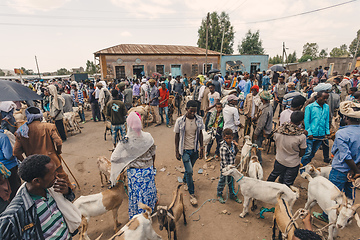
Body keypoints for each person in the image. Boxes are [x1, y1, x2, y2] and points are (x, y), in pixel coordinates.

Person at [0, 154, 79, 239]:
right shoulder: (14, 214)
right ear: (37, 181)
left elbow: (69, 200)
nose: (57, 175)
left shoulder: (51, 187)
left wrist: (67, 191)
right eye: (53, 173)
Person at [314, 101, 360, 223]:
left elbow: (345, 155)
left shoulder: (342, 133)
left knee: (332, 194)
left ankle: (326, 215)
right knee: (350, 193)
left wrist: (355, 170)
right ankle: (348, 215)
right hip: (354, 171)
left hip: (340, 169)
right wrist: (356, 171)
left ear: (346, 118)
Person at [110, 112, 157, 219]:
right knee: (148, 191)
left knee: (137, 195)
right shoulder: (148, 137)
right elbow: (153, 153)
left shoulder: (125, 141)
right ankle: (149, 210)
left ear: (128, 125)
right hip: (148, 170)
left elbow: (114, 158)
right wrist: (152, 166)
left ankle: (139, 216)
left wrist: (127, 158)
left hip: (134, 174)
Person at [13, 107, 72, 189]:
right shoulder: (48, 126)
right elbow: (58, 142)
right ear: (40, 115)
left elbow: (16, 152)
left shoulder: (21, 131)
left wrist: (26, 161)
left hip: (34, 165)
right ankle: (69, 189)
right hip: (51, 160)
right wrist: (58, 152)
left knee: (40, 182)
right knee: (61, 176)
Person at [174, 100, 204, 206]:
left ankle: (185, 181)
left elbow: (200, 134)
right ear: (186, 109)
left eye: (195, 111)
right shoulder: (180, 121)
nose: (193, 113)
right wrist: (177, 151)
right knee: (190, 171)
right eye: (191, 111)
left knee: (188, 170)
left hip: (194, 150)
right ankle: (192, 194)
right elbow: (177, 136)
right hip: (185, 150)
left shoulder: (199, 120)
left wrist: (202, 148)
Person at [267, 111, 307, 186]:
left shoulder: (278, 131)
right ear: (300, 122)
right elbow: (302, 153)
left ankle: (266, 189)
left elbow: (275, 140)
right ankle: (283, 196)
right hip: (293, 163)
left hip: (279, 159)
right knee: (287, 183)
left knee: (273, 175)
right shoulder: (301, 136)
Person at [301, 91, 330, 167]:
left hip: (321, 134)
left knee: (313, 152)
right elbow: (306, 121)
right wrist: (309, 132)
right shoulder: (310, 107)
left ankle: (306, 166)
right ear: (318, 97)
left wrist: (327, 131)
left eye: (327, 98)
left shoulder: (326, 107)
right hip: (311, 135)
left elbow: (326, 120)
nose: (325, 100)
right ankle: (302, 166)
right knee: (307, 152)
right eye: (324, 98)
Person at [217, 128, 242, 204]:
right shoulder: (223, 148)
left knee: (231, 182)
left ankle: (232, 194)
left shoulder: (232, 145)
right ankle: (219, 194)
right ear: (224, 137)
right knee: (222, 181)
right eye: (226, 138)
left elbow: (235, 154)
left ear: (232, 137)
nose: (228, 140)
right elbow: (224, 161)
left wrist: (237, 146)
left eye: (230, 138)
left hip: (232, 168)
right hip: (225, 169)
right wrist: (229, 168)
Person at [0, 112, 21, 201]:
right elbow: (8, 155)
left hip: (1, 170)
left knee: (5, 191)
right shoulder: (3, 137)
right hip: (9, 167)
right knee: (15, 190)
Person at [253, 91, 273, 164]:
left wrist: (256, 133)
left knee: (258, 146)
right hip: (266, 129)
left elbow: (261, 124)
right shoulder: (268, 106)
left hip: (262, 131)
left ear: (263, 99)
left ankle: (259, 162)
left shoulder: (265, 110)